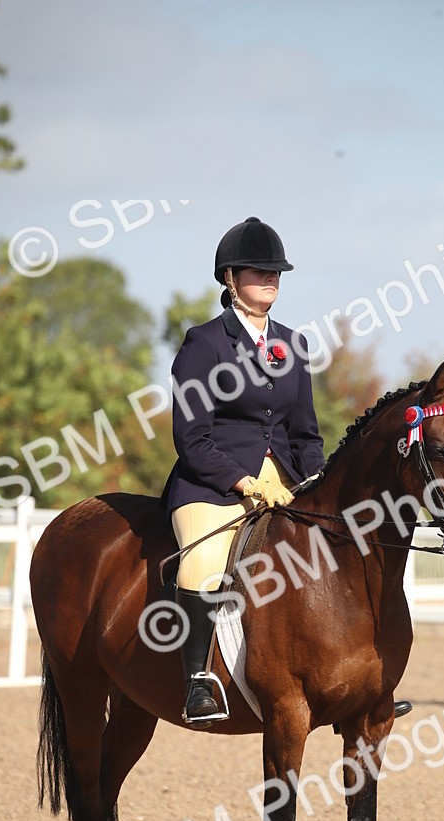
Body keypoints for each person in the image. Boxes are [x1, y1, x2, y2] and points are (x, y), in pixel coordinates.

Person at [161, 217, 325, 723]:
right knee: (203, 563)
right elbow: (191, 437)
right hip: (213, 484)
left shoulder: (293, 344)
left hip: (285, 481)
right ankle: (198, 682)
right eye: (258, 271)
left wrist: (320, 483)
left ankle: (348, 684)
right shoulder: (204, 343)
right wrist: (242, 481)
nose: (271, 278)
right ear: (230, 278)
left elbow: (306, 434)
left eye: (276, 271)